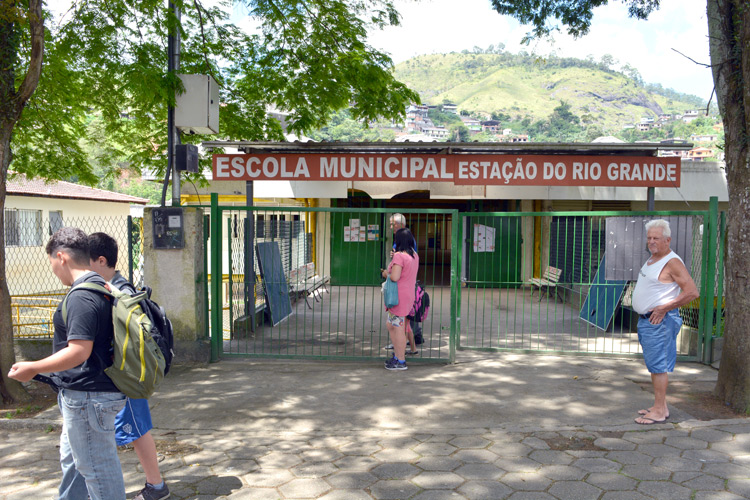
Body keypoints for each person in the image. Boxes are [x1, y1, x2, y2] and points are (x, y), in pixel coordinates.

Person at [8, 227, 127, 500]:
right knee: (75, 464)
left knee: (97, 469)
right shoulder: (102, 286)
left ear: (61, 257)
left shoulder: (82, 296)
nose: (53, 270)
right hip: (90, 394)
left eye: (51, 262)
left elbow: (78, 352)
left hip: (88, 396)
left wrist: (34, 367)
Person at [88, 232, 170, 500]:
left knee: (136, 428)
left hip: (126, 376)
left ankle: (156, 486)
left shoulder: (117, 293)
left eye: (86, 261)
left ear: (101, 261)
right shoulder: (121, 288)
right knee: (132, 428)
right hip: (125, 375)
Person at [631, 219, 698, 425]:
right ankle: (661, 406)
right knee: (654, 365)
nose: (651, 241)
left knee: (659, 366)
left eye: (656, 238)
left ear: (667, 240)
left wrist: (663, 308)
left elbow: (692, 292)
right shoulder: (653, 258)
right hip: (648, 321)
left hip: (659, 321)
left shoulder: (672, 262)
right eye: (649, 238)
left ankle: (659, 411)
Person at [381, 227, 420, 370]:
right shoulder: (414, 255)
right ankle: (398, 356)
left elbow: (395, 277)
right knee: (392, 325)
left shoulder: (399, 256)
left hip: (398, 297)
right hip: (408, 295)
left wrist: (386, 273)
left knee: (398, 328)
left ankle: (400, 360)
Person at [388, 213, 422, 350]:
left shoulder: (405, 241)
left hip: (401, 290)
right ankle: (412, 346)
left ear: (399, 224)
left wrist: (388, 272)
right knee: (405, 320)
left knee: (399, 323)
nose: (391, 227)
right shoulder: (411, 252)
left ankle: (399, 352)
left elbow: (396, 275)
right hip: (407, 288)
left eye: (392, 224)